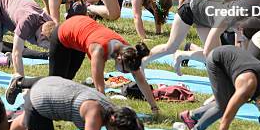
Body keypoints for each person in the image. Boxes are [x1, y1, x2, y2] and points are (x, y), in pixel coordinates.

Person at [26, 15, 160, 114]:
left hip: (80, 35)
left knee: (66, 80)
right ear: (119, 59)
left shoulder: (128, 51)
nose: (125, 73)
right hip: (64, 33)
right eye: (125, 71)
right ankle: (21, 82)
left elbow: (140, 79)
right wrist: (111, 112)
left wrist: (154, 108)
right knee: (55, 82)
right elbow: (100, 90)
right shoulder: (99, 51)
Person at [179, 46, 260, 130]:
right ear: (259, 102)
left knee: (224, 101)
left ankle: (191, 116)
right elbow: (225, 121)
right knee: (223, 107)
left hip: (237, 62)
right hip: (218, 60)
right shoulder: (246, 89)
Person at [7, 76, 144, 130]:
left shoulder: (115, 109)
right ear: (113, 120)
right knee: (36, 124)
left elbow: (133, 128)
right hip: (40, 99)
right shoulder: (95, 113)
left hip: (49, 84)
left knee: (24, 121)